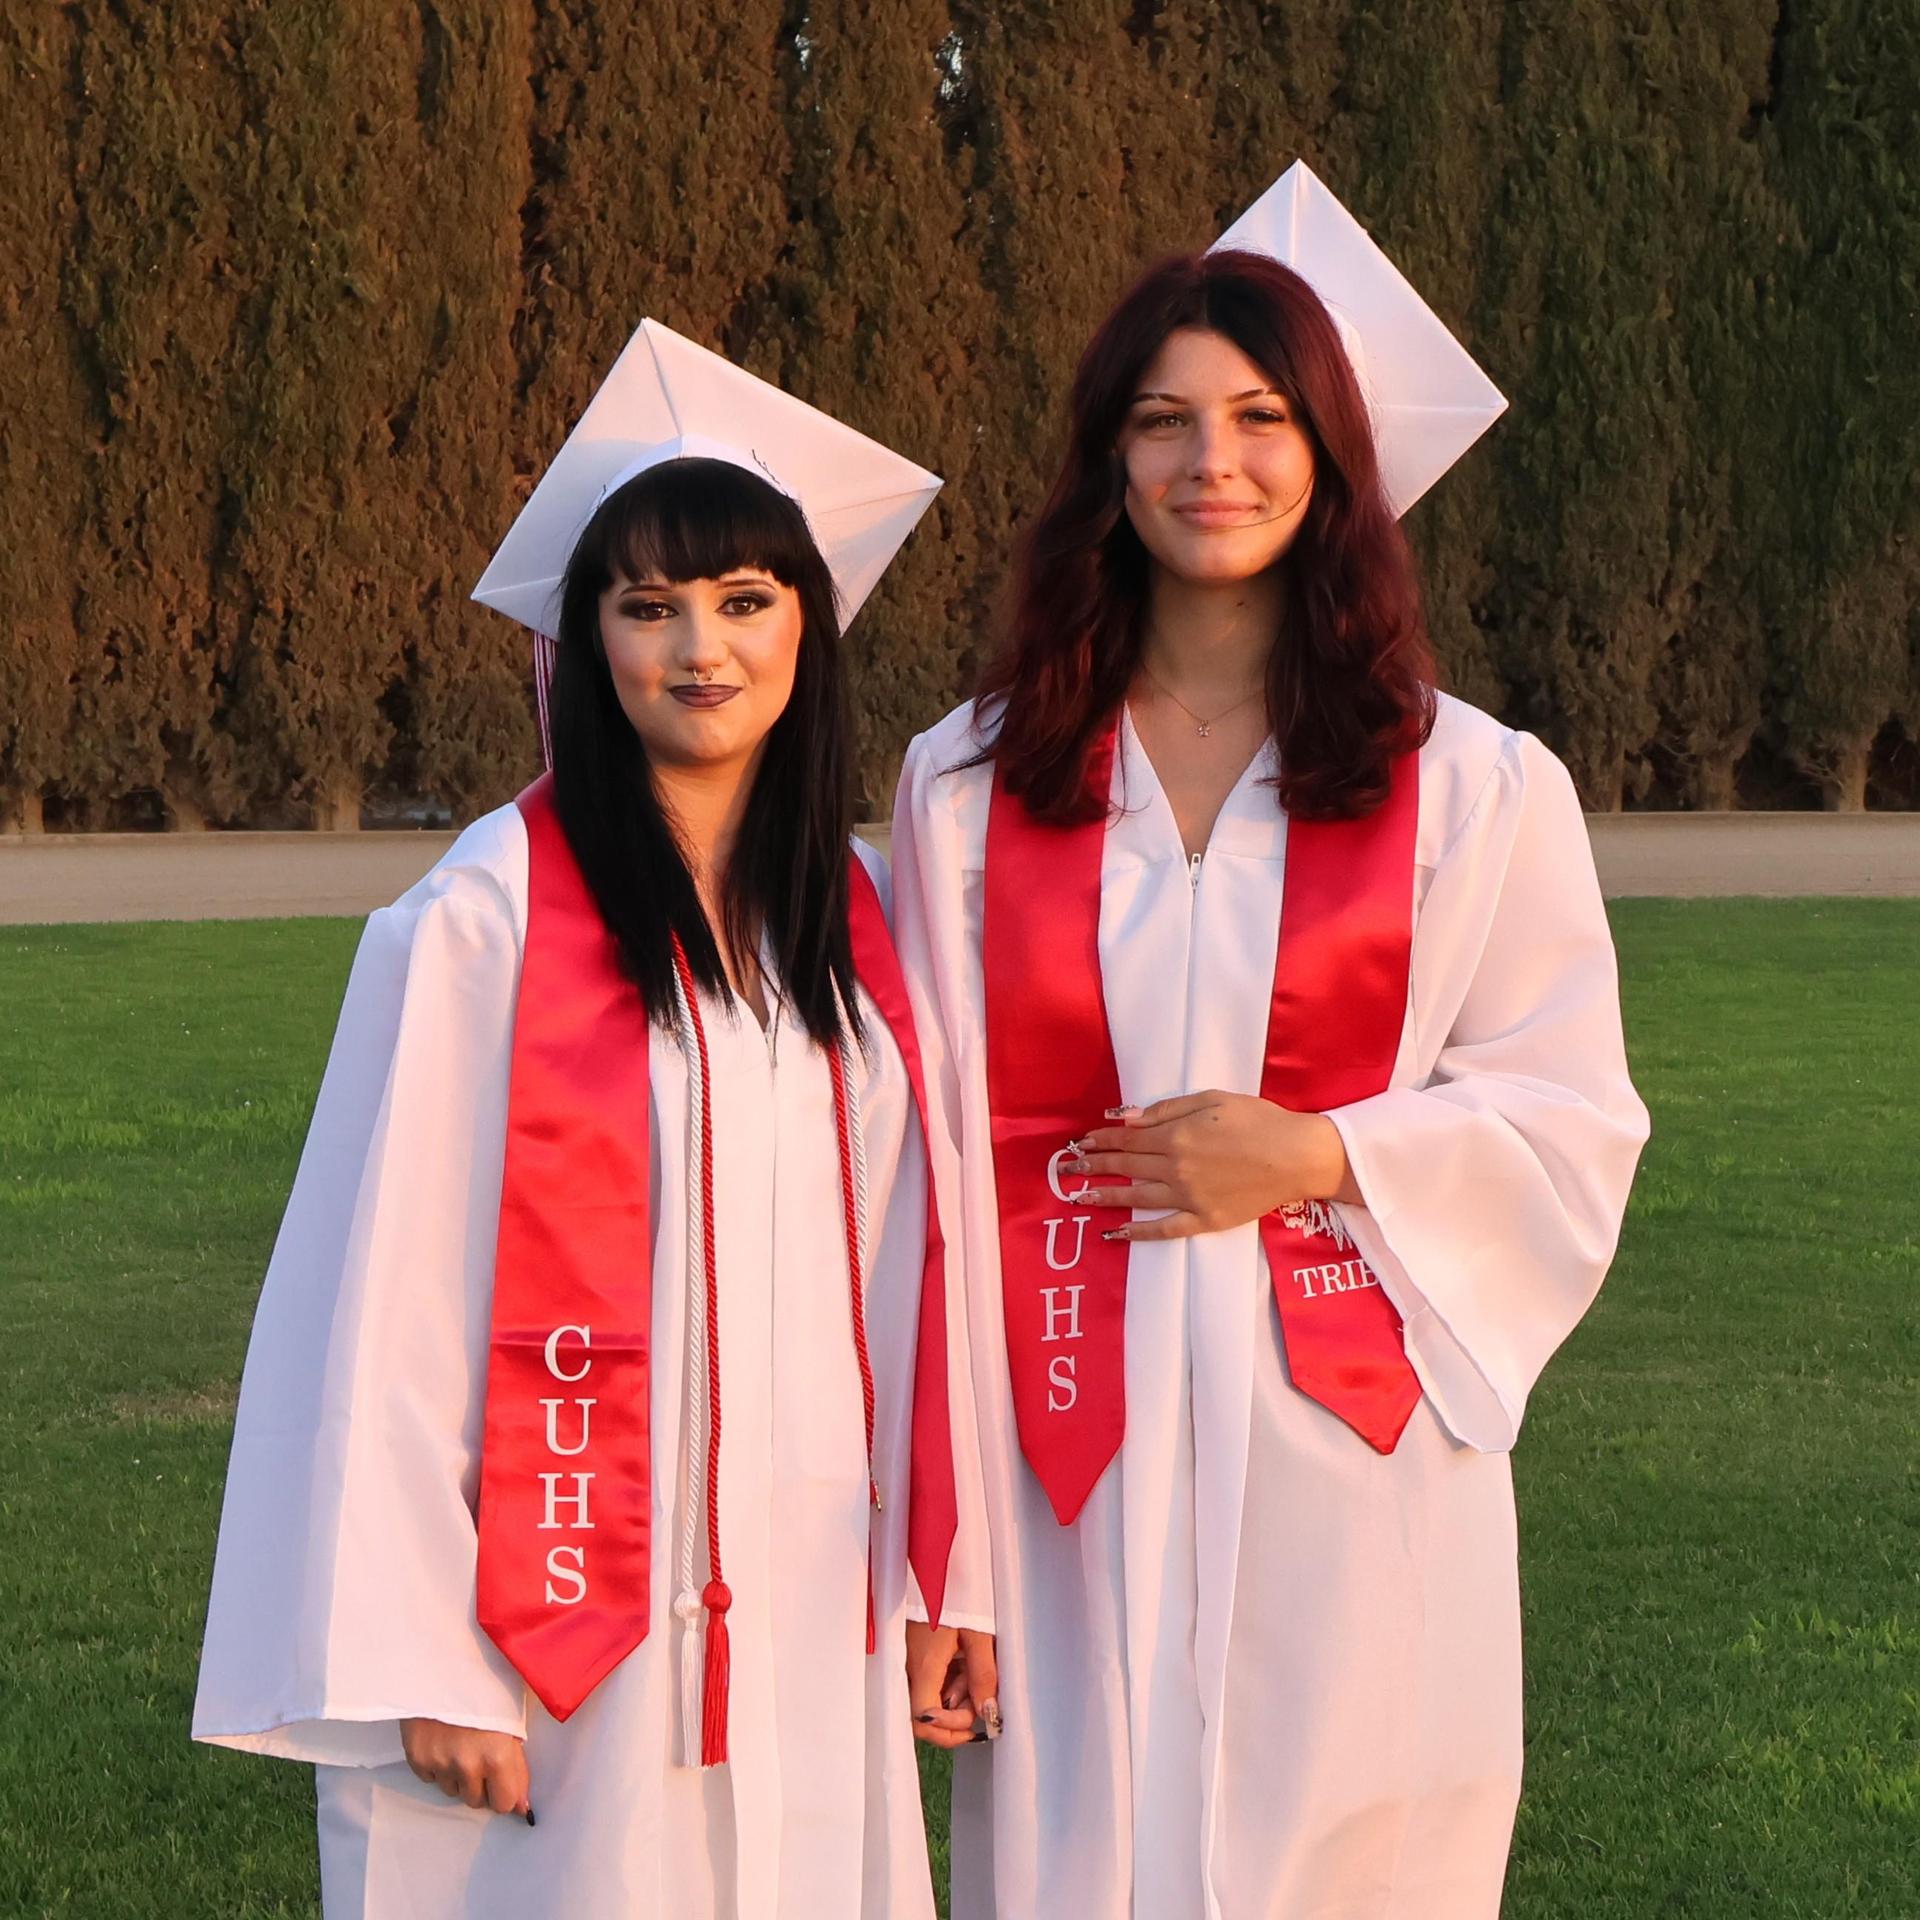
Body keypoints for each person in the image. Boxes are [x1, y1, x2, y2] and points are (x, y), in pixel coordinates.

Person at [887, 163, 1650, 1919]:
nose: (1207, 463)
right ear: (1106, 463)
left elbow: (1568, 1114)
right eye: (1159, 423)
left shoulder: (1472, 784)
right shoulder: (970, 787)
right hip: (1063, 1449)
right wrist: (943, 1545)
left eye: (1257, 416)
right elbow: (915, 1167)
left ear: (1329, 455)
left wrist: (1320, 1153)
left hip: (1354, 1457)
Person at [192, 318, 993, 1919]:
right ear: (591, 641)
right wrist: (428, 1655)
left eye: (745, 601)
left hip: (810, 1606)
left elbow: (921, 1275)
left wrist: (939, 1576)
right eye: (650, 606)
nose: (701, 646)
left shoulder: (861, 924)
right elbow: (380, 1308)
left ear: (807, 630)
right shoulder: (478, 926)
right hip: (558, 1615)